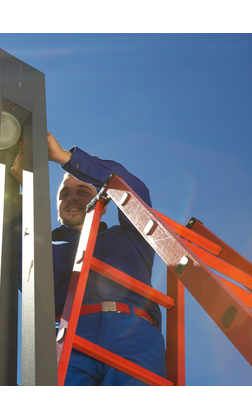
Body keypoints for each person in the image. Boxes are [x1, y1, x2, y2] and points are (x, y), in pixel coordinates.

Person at [11, 133, 166, 386]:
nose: (71, 198)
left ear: (103, 203)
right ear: (58, 211)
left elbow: (134, 191)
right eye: (63, 195)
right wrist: (22, 183)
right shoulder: (47, 251)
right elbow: (15, 262)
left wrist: (66, 158)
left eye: (83, 190)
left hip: (133, 331)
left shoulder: (129, 238)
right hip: (69, 336)